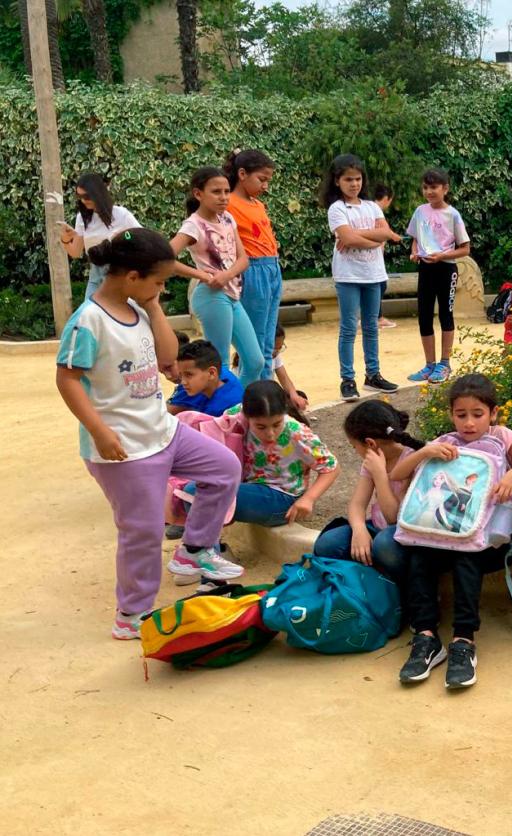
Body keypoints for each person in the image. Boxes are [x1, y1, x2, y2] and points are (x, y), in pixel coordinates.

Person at [55, 229, 242, 638]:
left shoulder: (138, 310)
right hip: (124, 448)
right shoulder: (88, 321)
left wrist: (154, 307)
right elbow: (67, 380)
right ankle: (131, 615)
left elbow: (168, 358)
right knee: (142, 531)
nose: (161, 289)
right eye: (158, 282)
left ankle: (193, 551)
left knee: (224, 468)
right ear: (132, 276)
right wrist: (99, 431)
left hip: (163, 431)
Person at [397, 374, 512, 690]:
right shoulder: (445, 441)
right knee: (419, 556)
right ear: (451, 414)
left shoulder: (503, 437)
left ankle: (463, 639)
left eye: (477, 414)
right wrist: (425, 452)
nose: (469, 423)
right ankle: (426, 637)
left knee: (466, 560)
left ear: (493, 413)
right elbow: (397, 474)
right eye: (461, 415)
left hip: (489, 538)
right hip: (444, 531)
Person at [178, 382, 339, 560]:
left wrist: (308, 499)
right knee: (190, 489)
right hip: (250, 488)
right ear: (247, 416)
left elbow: (331, 467)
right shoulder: (237, 415)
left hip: (282, 499)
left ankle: (209, 556)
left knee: (196, 492)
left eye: (276, 424)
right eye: (261, 427)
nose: (270, 433)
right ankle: (210, 552)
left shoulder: (297, 433)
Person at [312, 400, 423, 601]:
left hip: (400, 537)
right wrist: (359, 530)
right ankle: (362, 586)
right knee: (328, 544)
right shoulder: (371, 461)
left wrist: (380, 475)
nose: (356, 451)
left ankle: (398, 595)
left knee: (383, 546)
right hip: (376, 528)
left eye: (354, 446)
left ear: (370, 443)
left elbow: (393, 518)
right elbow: (357, 503)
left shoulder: (412, 460)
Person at [170, 166, 265, 386]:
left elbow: (243, 259)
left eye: (226, 191)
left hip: (232, 295)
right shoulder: (193, 225)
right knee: (219, 363)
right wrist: (202, 275)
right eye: (216, 192)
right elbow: (165, 257)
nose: (223, 197)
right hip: (211, 296)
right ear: (198, 194)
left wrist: (226, 275)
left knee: (255, 361)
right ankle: (223, 406)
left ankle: (239, 401)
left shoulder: (227, 218)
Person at [322, 153, 401, 402]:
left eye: (357, 179)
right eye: (348, 179)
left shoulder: (372, 206)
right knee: (348, 328)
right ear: (337, 181)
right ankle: (347, 379)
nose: (354, 184)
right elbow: (349, 238)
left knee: (371, 327)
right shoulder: (337, 209)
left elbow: (385, 232)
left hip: (373, 275)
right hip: (348, 276)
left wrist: (358, 235)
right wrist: (373, 238)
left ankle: (373, 374)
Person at [406, 168, 472, 385]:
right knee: (424, 316)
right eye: (425, 187)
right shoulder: (420, 211)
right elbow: (416, 238)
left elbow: (465, 248)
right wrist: (414, 252)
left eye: (433, 187)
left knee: (445, 315)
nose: (429, 192)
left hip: (446, 269)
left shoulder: (453, 215)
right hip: (426, 270)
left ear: (445, 189)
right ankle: (429, 364)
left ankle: (444, 363)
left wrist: (442, 255)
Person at [224, 149, 282, 378]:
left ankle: (265, 388)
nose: (265, 186)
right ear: (242, 174)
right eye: (261, 179)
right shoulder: (228, 203)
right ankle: (253, 391)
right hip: (253, 270)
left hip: (272, 268)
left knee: (267, 341)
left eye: (268, 180)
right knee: (255, 343)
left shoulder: (258, 204)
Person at [58, 173, 141, 301]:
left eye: (86, 196)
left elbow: (141, 238)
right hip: (96, 274)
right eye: (79, 196)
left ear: (98, 193)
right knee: (89, 311)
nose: (83, 200)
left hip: (120, 272)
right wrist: (65, 239)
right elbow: (75, 252)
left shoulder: (121, 214)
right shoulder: (82, 218)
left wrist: (123, 236)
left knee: (121, 312)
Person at [167, 338, 244, 416]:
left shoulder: (219, 411)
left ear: (211, 373)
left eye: (189, 375)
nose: (183, 382)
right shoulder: (224, 375)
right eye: (181, 375)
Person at [371, 184, 400, 329]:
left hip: (375, 257)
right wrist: (394, 236)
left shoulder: (369, 208)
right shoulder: (375, 210)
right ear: (387, 198)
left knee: (380, 285)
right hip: (372, 257)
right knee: (379, 286)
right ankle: (376, 318)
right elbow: (386, 231)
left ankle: (376, 317)